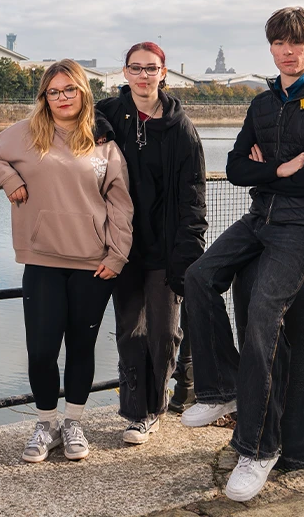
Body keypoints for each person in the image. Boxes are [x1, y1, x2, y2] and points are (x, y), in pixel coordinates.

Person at [181, 7, 304, 502]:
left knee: (261, 317)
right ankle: (221, 387)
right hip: (262, 216)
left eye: (298, 44)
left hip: (302, 227)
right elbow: (234, 167)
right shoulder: (261, 103)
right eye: (280, 43)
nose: (289, 51)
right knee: (199, 276)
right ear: (271, 47)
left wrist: (273, 168)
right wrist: (277, 170)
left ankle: (260, 447)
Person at [0, 59, 133, 462]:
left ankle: (73, 422)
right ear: (44, 97)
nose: (63, 98)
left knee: (82, 346)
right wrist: (9, 180)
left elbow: (119, 205)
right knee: (42, 350)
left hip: (94, 264)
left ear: (83, 92)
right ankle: (45, 424)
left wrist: (118, 255)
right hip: (42, 259)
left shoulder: (103, 143)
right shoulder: (25, 135)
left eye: (70, 90)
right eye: (54, 91)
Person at [95, 42, 208, 444]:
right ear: (124, 72)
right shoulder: (107, 115)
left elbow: (193, 196)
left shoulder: (181, 129)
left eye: (151, 69)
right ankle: (135, 411)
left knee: (163, 331)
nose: (143, 76)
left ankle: (155, 407)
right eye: (136, 68)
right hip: (122, 246)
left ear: (164, 73)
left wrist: (187, 254)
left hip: (165, 247)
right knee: (130, 330)